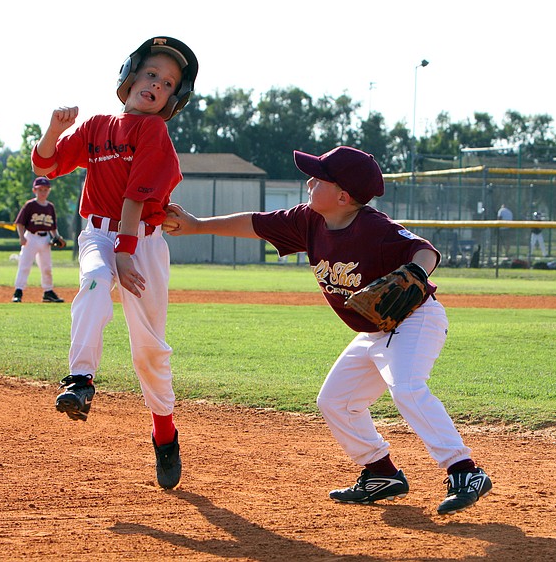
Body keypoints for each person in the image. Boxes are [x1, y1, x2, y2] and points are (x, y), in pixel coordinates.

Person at [163, 145, 492, 515]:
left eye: (319, 178)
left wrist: (416, 272)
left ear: (342, 195)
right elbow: (254, 223)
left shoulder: (374, 228)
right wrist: (196, 225)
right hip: (374, 331)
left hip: (416, 320)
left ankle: (465, 471)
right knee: (335, 401)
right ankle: (380, 473)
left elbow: (425, 250)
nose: (309, 181)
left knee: (407, 388)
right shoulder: (308, 221)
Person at [30, 36, 199, 490]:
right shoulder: (97, 127)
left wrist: (125, 251)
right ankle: (80, 380)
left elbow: (137, 194)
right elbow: (47, 164)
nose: (156, 84)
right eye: (150, 74)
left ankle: (164, 433)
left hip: (140, 241)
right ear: (128, 77)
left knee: (149, 349)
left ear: (173, 100)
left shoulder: (153, 132)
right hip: (99, 234)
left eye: (167, 83)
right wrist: (53, 127)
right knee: (92, 284)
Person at [12, 177, 64, 303]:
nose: (43, 192)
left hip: (45, 239)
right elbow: (19, 223)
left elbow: (53, 227)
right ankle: (18, 291)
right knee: (24, 265)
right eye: (40, 189)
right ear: (34, 190)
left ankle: (48, 292)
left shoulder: (50, 207)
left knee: (47, 267)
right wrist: (21, 237)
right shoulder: (30, 205)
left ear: (49, 191)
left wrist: (56, 237)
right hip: (30, 237)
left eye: (45, 190)